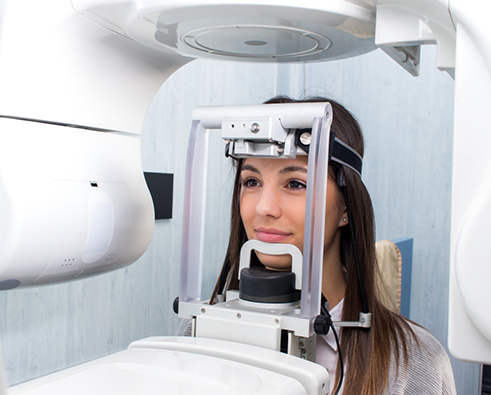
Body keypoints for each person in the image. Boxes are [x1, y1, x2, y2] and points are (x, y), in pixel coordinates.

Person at [209, 96, 457, 395]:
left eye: (295, 184)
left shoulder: (415, 362)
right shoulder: (201, 331)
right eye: (251, 182)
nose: (263, 208)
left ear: (346, 208)